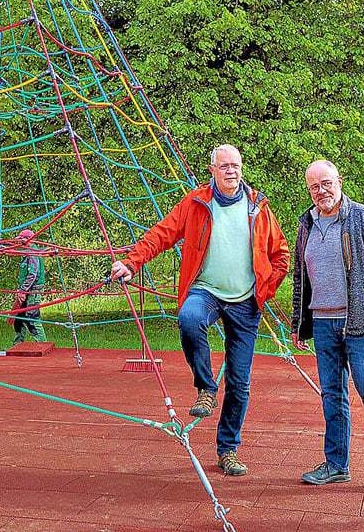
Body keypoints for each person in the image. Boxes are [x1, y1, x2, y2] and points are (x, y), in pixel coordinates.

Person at [110, 144, 290, 476]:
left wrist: (267, 286)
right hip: (205, 289)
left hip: (246, 300)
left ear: (242, 168)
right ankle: (206, 387)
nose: (231, 171)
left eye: (235, 165)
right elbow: (161, 234)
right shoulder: (195, 203)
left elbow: (280, 253)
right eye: (224, 166)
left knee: (239, 380)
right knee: (189, 319)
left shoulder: (258, 206)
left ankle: (228, 449)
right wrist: (131, 263)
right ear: (212, 170)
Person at [290, 160, 364, 494]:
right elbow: (300, 278)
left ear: (339, 181)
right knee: (332, 394)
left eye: (326, 183)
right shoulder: (306, 225)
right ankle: (336, 465)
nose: (321, 191)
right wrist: (299, 323)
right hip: (323, 323)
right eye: (314, 186)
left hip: (361, 324)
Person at [13, 228, 47, 344]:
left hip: (33, 292)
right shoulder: (27, 253)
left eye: (21, 240)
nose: (19, 242)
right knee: (19, 319)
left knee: (32, 318)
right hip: (26, 290)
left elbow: (33, 275)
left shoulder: (32, 254)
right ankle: (17, 346)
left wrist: (23, 290)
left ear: (28, 239)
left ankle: (42, 345)